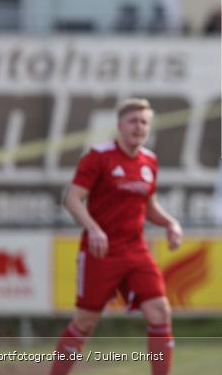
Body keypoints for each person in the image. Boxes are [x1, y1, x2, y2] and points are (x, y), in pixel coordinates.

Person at [49, 98, 182, 375]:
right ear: (120, 125)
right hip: (102, 251)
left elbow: (149, 206)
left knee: (160, 311)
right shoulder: (99, 156)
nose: (139, 127)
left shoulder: (149, 161)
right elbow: (72, 199)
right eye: (133, 121)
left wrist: (170, 223)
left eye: (144, 122)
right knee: (85, 322)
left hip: (136, 249)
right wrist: (93, 228)